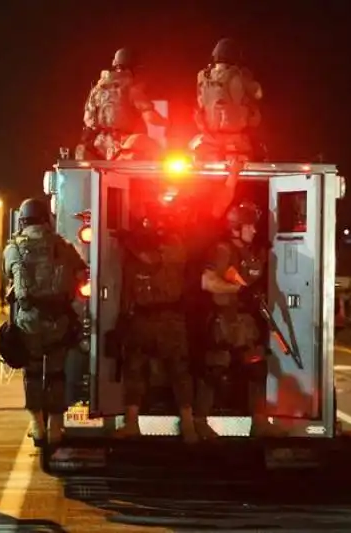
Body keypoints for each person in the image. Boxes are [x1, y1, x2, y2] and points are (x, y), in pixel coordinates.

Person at [3, 198, 87, 444]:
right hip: (58, 319)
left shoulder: (13, 248)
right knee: (56, 374)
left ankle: (37, 424)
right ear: (46, 219)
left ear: (22, 220)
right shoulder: (62, 245)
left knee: (32, 372)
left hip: (29, 320)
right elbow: (81, 273)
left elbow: (9, 276)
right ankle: (56, 428)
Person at [115, 203, 199, 444]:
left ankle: (188, 425)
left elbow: (149, 258)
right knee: (135, 369)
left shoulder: (174, 245)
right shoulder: (146, 248)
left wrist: (128, 240)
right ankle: (132, 423)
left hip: (168, 319)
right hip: (144, 317)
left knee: (178, 371)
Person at [199, 200, 273, 436]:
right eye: (249, 226)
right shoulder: (223, 250)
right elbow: (207, 282)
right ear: (235, 228)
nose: (254, 230)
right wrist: (238, 290)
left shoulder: (253, 253)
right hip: (224, 320)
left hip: (246, 321)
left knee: (257, 369)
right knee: (214, 371)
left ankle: (260, 424)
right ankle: (200, 421)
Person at [77, 48, 168, 161]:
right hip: (121, 146)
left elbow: (88, 120)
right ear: (134, 69)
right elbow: (151, 118)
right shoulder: (130, 89)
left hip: (98, 147)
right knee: (156, 150)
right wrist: (168, 123)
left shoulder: (96, 90)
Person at [190, 38, 263, 161]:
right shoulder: (237, 77)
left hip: (209, 137)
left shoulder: (202, 76)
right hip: (236, 139)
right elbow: (258, 94)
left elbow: (200, 101)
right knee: (259, 154)